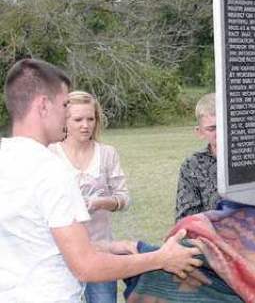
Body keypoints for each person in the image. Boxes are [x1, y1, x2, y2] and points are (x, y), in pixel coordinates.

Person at [0, 58, 202, 303]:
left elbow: (38, 241)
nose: (67, 115)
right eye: (64, 105)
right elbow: (86, 267)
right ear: (43, 105)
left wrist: (108, 247)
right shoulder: (51, 170)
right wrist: (161, 258)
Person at [49, 90, 130, 303]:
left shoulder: (107, 153)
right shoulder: (50, 154)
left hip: (100, 252)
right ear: (64, 121)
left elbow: (123, 198)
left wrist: (101, 202)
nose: (85, 125)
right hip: (59, 255)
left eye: (90, 119)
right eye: (78, 119)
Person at [175, 93, 221, 221]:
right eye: (212, 129)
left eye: (225, 125)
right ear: (200, 132)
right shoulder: (192, 165)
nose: (220, 133)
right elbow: (187, 220)